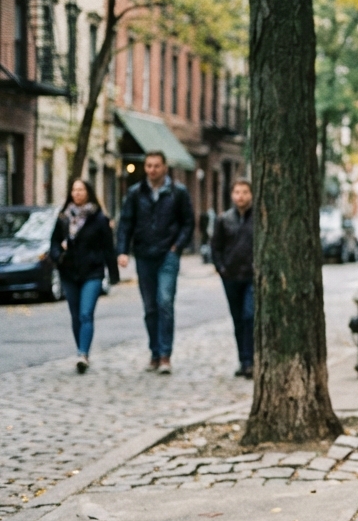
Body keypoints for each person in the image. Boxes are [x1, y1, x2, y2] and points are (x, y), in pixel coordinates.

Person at [117, 150, 194, 375]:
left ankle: (165, 355)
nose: (152, 170)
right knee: (150, 307)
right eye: (148, 166)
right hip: (144, 255)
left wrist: (177, 246)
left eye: (156, 166)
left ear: (164, 168)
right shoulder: (135, 193)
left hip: (168, 254)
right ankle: (154, 352)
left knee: (165, 302)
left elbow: (188, 222)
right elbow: (126, 223)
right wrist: (122, 251)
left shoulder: (178, 192)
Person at [50, 179, 120, 374]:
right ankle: (81, 350)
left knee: (85, 313)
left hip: (92, 272)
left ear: (88, 192)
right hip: (69, 272)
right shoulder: (63, 218)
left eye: (81, 190)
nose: (77, 193)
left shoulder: (99, 218)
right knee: (75, 316)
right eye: (74, 190)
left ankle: (83, 354)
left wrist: (113, 273)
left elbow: (108, 247)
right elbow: (53, 243)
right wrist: (58, 255)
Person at [211, 178, 255, 379]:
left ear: (251, 195)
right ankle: (243, 360)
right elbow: (216, 247)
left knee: (249, 316)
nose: (241, 196)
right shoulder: (224, 219)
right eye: (237, 192)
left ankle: (251, 360)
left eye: (245, 192)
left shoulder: (258, 218)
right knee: (238, 319)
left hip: (251, 276)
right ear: (232, 195)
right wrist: (221, 268)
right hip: (231, 276)